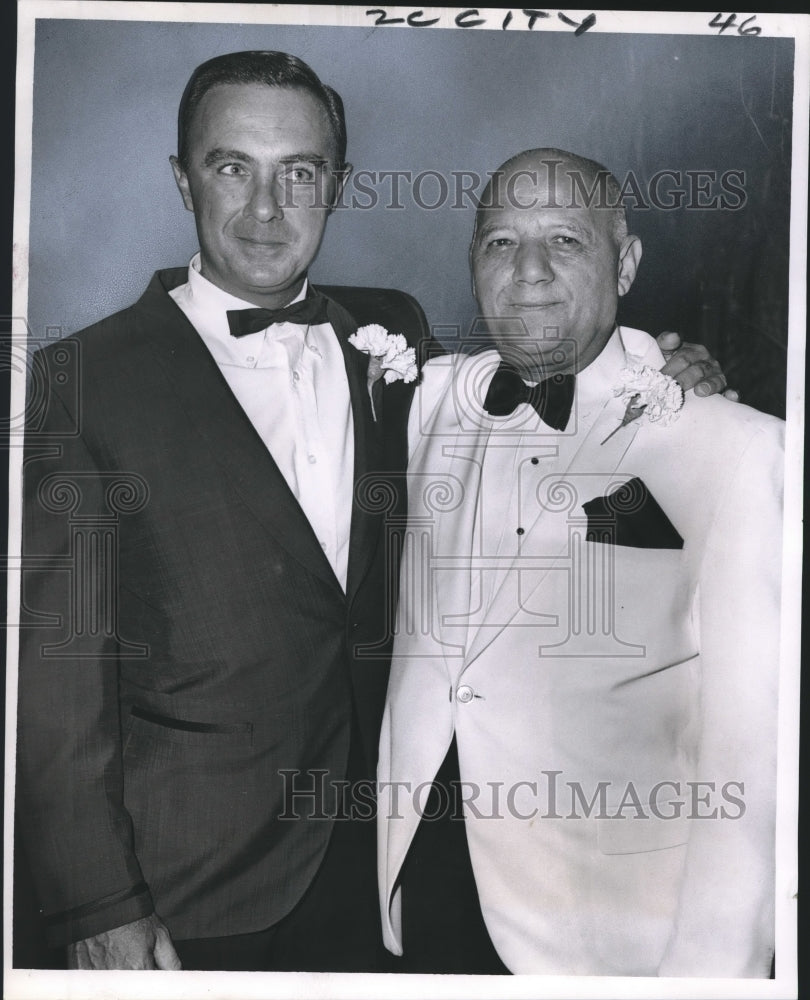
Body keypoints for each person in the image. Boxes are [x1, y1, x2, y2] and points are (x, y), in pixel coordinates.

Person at [16, 51, 724, 972]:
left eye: (299, 172)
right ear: (181, 178)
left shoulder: (391, 335)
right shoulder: (84, 381)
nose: (267, 209)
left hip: (390, 873)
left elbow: (544, 420)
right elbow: (54, 676)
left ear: (337, 184)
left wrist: (665, 380)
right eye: (234, 168)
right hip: (192, 892)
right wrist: (96, 902)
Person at [377, 149, 782, 977]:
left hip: (611, 939)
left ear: (625, 263)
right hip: (421, 901)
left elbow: (757, 766)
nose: (528, 271)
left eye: (565, 240)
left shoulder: (735, 447)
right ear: (472, 263)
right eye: (500, 242)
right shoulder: (425, 402)